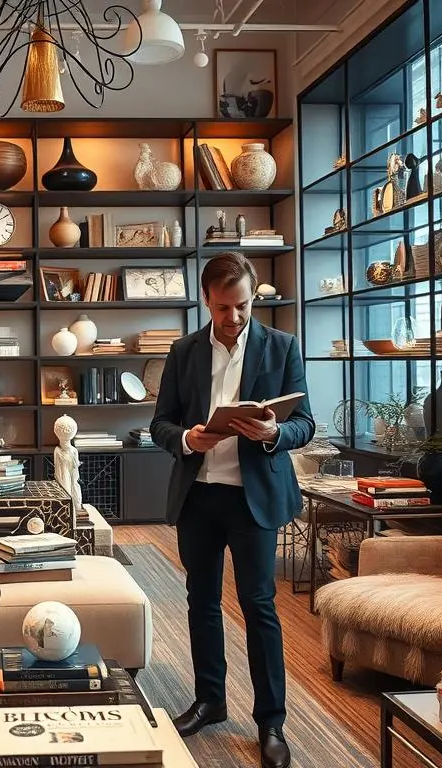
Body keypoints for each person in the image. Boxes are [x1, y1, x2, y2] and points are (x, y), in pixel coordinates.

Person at [150, 252, 314, 768]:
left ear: (253, 294)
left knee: (259, 607)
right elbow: (160, 425)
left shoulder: (282, 346)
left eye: (242, 305)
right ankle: (210, 700)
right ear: (207, 301)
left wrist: (274, 433)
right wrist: (188, 438)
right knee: (201, 602)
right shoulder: (183, 352)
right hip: (199, 496)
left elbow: (304, 424)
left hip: (253, 499)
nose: (234, 317)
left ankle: (271, 722)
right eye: (223, 308)